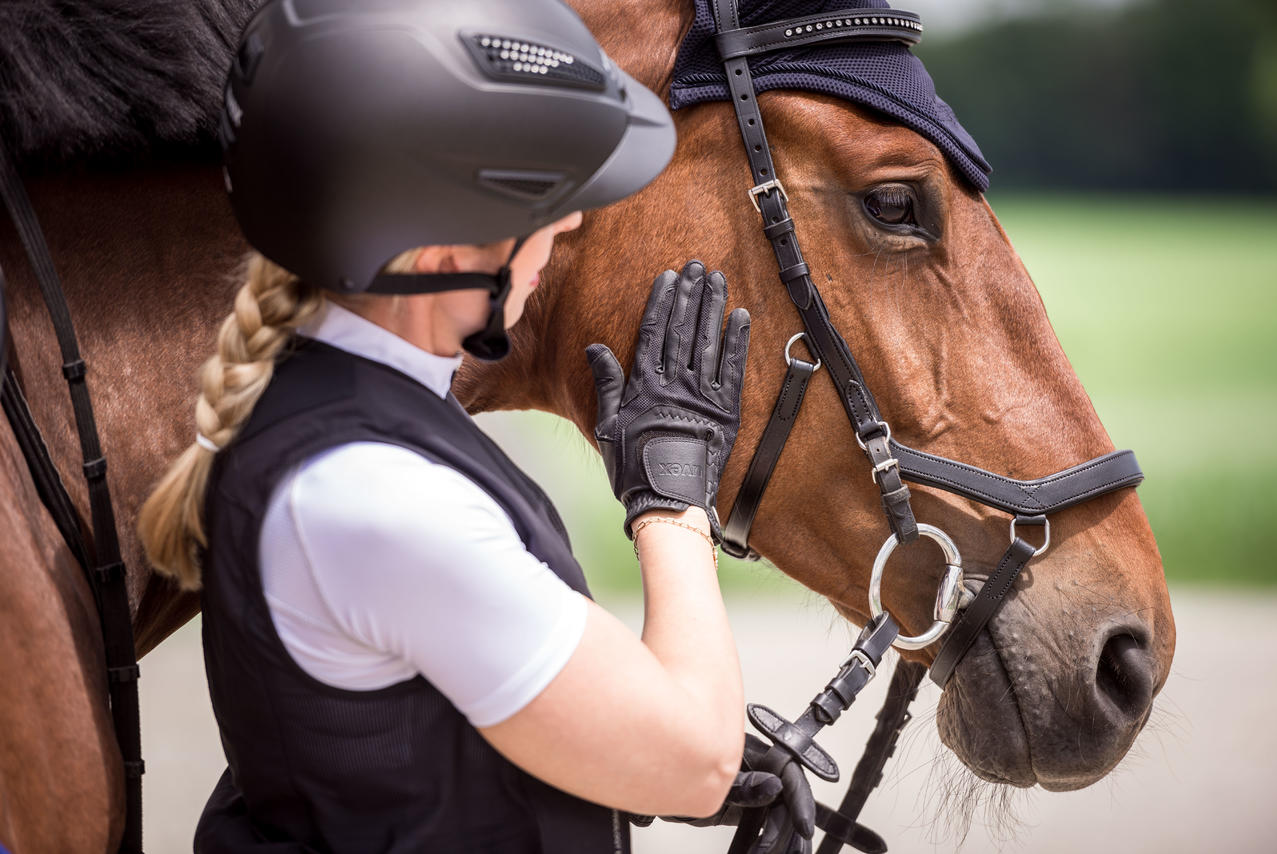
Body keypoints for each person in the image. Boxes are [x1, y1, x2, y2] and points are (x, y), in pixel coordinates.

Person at [138, 1, 810, 852]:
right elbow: (699, 758)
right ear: (442, 255)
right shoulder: (374, 497)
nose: (568, 224)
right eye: (545, 201)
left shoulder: (351, 424)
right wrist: (673, 503)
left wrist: (606, 738)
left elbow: (422, 738)